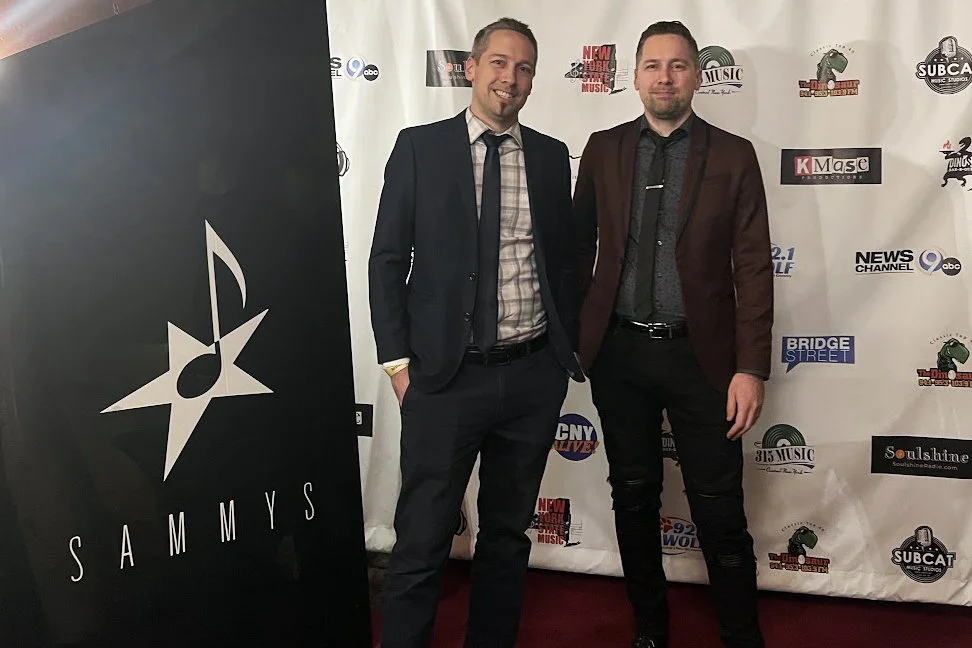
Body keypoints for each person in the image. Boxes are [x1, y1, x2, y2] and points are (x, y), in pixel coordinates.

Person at [368, 17, 584, 648]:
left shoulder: (549, 157)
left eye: (522, 69)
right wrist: (397, 366)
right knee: (422, 540)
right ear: (471, 68)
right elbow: (386, 261)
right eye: (498, 63)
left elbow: (560, 261)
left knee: (507, 538)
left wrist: (563, 357)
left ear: (532, 81)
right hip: (441, 379)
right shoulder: (418, 147)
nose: (508, 78)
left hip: (530, 375)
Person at [572, 20, 773, 648]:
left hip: (704, 360)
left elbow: (754, 266)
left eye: (679, 65)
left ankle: (741, 634)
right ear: (633, 76)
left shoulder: (734, 154)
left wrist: (751, 366)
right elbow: (578, 250)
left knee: (718, 505)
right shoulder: (603, 149)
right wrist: (582, 338)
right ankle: (650, 627)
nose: (665, 77)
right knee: (632, 496)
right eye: (653, 65)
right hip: (620, 355)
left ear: (697, 74)